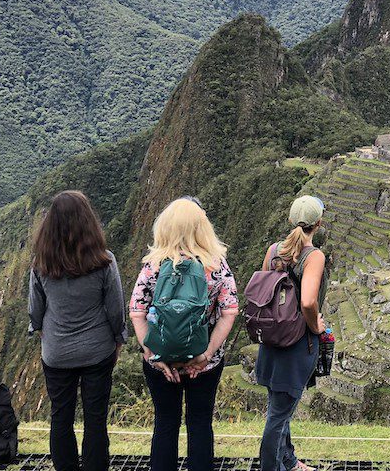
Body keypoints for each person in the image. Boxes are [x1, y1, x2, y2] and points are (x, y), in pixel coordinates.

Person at [129, 197, 238, 471]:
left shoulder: (153, 266)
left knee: (165, 423)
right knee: (200, 423)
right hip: (204, 362)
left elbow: (136, 312)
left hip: (162, 360)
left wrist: (154, 356)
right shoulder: (216, 266)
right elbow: (230, 311)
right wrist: (206, 354)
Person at [28, 190, 127, 471]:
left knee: (61, 417)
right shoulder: (104, 261)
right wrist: (118, 340)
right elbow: (115, 308)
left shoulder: (41, 264)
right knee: (95, 419)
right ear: (88, 221)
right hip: (97, 351)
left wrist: (45, 335)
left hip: (57, 353)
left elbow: (35, 311)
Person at [255, 196, 329, 471]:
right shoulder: (314, 256)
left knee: (279, 407)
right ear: (318, 224)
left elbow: (263, 294)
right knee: (278, 416)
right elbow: (309, 301)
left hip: (272, 339)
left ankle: (288, 460)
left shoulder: (274, 250)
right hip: (296, 343)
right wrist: (315, 327)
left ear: (290, 220)